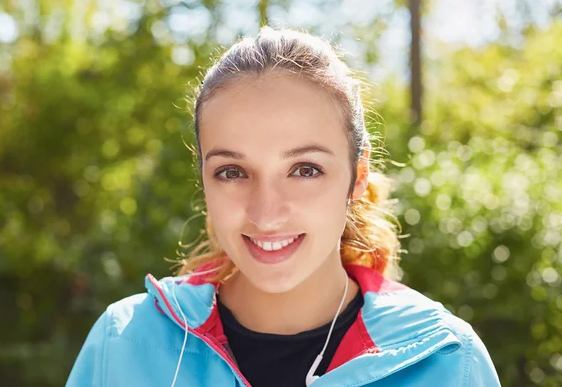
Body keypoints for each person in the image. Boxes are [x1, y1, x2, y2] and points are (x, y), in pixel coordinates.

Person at [66, 26, 501, 387]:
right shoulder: (120, 344)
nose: (266, 214)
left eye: (305, 169)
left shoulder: (448, 361)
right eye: (232, 172)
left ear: (358, 175)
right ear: (203, 177)